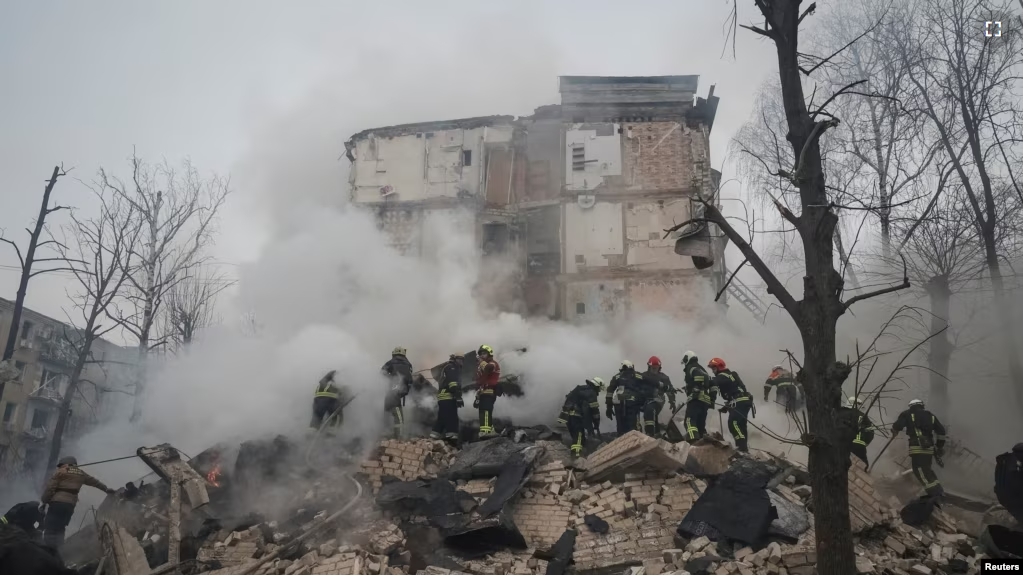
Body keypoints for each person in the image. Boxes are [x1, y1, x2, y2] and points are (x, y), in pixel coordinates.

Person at [40, 456, 115, 549]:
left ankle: (47, 550)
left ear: (64, 463)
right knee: (61, 528)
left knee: (50, 527)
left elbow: (50, 488)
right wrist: (106, 489)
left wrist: (44, 500)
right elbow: (95, 483)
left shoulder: (60, 472)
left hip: (57, 504)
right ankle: (59, 551)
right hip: (70, 506)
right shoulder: (81, 473)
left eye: (61, 465)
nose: (59, 467)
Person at [891, 399, 946, 498]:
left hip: (917, 447)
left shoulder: (907, 414)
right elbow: (941, 432)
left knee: (920, 471)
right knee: (927, 471)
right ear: (922, 406)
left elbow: (897, 425)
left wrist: (894, 430)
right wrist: (940, 446)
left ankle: (935, 495)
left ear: (911, 406)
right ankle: (939, 491)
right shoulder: (931, 415)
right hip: (929, 449)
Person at [708, 358, 753, 452]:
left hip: (739, 401)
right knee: (741, 425)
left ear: (719, 367)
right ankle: (744, 449)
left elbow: (712, 382)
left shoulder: (722, 376)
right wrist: (726, 407)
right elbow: (735, 391)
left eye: (713, 368)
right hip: (744, 401)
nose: (712, 370)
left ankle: (742, 449)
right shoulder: (731, 374)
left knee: (733, 423)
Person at [557, 377, 604, 457]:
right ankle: (576, 457)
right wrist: (596, 422)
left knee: (578, 437)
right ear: (597, 386)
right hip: (576, 417)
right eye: (599, 388)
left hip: (568, 417)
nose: (599, 391)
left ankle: (579, 454)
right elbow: (594, 410)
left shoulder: (578, 389)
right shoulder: (591, 392)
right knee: (578, 437)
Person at [681, 351, 716, 442]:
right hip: (705, 401)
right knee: (700, 424)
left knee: (689, 421)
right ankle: (701, 443)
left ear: (687, 359)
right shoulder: (703, 370)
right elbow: (713, 385)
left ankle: (693, 441)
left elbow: (698, 377)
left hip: (696, 399)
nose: (684, 364)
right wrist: (712, 399)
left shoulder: (691, 367)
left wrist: (695, 390)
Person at [431, 353, 464, 442]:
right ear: (454, 359)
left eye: (462, 360)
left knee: (442, 417)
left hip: (443, 397)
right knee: (452, 417)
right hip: (448, 396)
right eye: (459, 359)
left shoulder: (448, 367)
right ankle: (452, 437)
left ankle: (434, 435)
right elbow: (453, 384)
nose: (461, 362)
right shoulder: (452, 368)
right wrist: (458, 397)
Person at [382, 346, 414, 438]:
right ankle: (399, 437)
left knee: (387, 413)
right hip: (396, 393)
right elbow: (409, 379)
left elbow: (381, 375)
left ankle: (385, 433)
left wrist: (389, 379)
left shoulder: (390, 363)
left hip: (390, 392)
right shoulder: (408, 364)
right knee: (399, 418)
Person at [640, 356, 676, 436]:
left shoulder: (664, 377)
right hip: (644, 401)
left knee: (650, 411)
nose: (654, 370)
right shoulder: (644, 376)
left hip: (657, 400)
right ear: (649, 367)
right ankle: (656, 433)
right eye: (653, 368)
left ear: (659, 368)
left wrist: (672, 402)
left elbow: (670, 391)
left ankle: (650, 434)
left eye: (656, 368)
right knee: (650, 416)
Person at [606, 361, 643, 436]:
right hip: (632, 403)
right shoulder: (637, 375)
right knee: (633, 426)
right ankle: (635, 443)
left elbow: (609, 392)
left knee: (620, 427)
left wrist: (609, 408)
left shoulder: (616, 376)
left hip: (618, 403)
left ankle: (622, 444)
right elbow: (646, 385)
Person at [840, 396, 875, 467]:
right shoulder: (862, 417)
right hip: (857, 448)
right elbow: (870, 431)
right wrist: (864, 443)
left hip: (837, 442)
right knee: (862, 466)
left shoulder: (839, 411)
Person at [475, 345, 501, 438]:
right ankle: (490, 429)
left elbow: (488, 368)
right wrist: (477, 395)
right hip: (483, 392)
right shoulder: (481, 367)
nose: (482, 355)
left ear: (489, 354)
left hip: (489, 392)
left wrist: (481, 362)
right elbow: (481, 381)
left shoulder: (493, 363)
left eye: (484, 353)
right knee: (484, 411)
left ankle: (486, 431)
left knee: (485, 411)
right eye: (480, 354)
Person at [994, 443, 1022, 523]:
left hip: (1005, 496)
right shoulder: (1015, 464)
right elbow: (1016, 484)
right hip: (1014, 499)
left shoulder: (1004, 461)